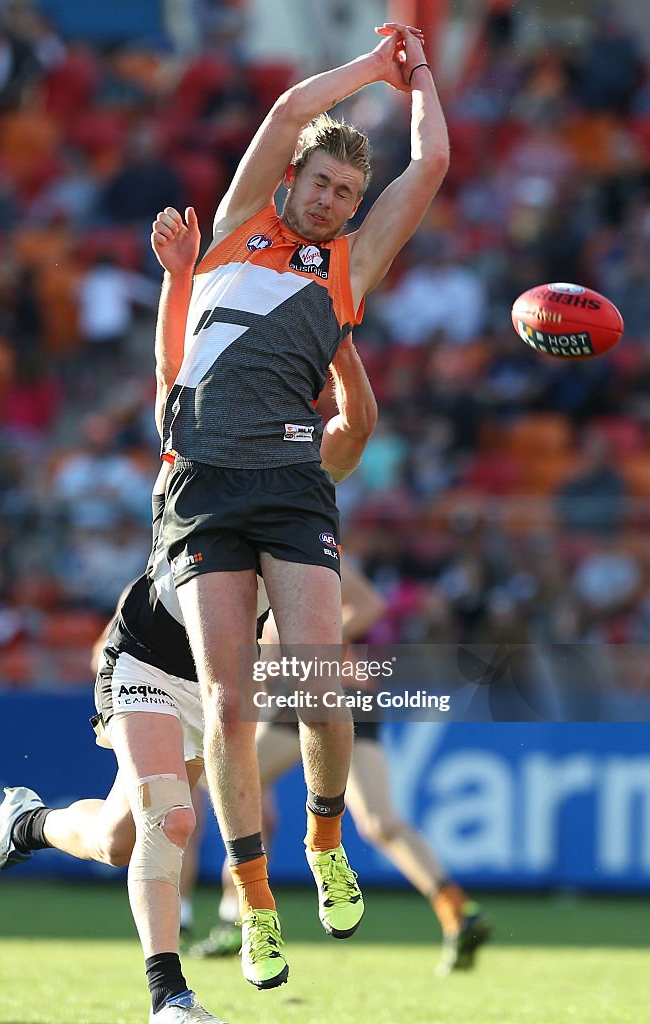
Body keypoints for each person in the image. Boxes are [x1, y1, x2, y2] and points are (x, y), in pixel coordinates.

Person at [0, 202, 378, 1020]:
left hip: (221, 683)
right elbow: (169, 364)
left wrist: (338, 338)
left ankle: (27, 825)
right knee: (170, 818)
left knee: (117, 839)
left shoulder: (299, 486)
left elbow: (355, 424)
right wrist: (178, 279)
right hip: (150, 654)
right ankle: (168, 998)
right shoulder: (193, 439)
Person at [158, 20, 449, 989]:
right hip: (200, 486)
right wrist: (369, 65)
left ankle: (328, 843)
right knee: (231, 704)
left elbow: (433, 161)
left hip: (289, 481)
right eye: (319, 183)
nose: (329, 200)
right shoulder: (240, 226)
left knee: (319, 686)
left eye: (346, 193)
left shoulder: (350, 271)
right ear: (290, 182)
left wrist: (418, 80)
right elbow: (288, 111)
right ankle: (257, 907)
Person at [190, 561, 492, 976]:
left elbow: (369, 606)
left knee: (231, 784)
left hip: (320, 686)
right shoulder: (257, 557)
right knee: (379, 821)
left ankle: (235, 919)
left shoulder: (291, 549)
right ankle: (457, 910)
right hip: (345, 690)